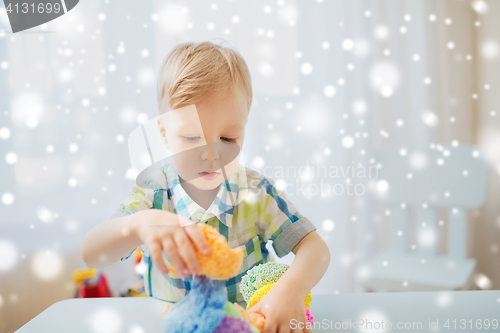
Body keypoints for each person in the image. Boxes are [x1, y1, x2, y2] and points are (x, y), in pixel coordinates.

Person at [81, 40, 330, 333]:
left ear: (244, 127)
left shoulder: (256, 193)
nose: (212, 155)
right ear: (163, 133)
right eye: (191, 138)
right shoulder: (153, 196)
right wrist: (139, 224)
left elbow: (315, 249)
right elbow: (92, 253)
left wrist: (291, 288)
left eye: (228, 139)